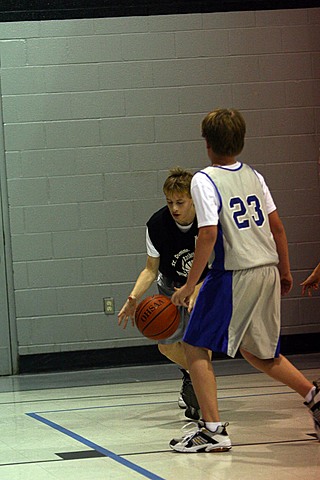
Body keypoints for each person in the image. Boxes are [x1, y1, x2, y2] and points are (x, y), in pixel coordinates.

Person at [169, 108, 320, 452]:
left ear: (207, 143)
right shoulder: (254, 175)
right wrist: (284, 270)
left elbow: (207, 235)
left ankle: (212, 430)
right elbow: (277, 227)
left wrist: (191, 284)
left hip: (235, 273)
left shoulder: (204, 179)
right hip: (267, 267)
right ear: (240, 141)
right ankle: (315, 398)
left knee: (195, 345)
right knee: (258, 351)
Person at [118, 167, 208, 420]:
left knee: (199, 343)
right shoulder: (156, 225)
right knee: (166, 346)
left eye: (180, 202)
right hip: (170, 284)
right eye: (170, 202)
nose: (174, 208)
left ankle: (202, 395)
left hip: (205, 283)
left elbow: (218, 264)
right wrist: (134, 297)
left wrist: (196, 288)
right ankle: (195, 376)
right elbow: (150, 269)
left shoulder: (209, 220)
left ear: (193, 200)